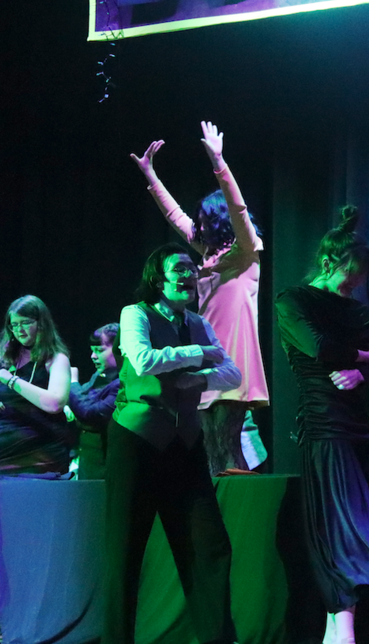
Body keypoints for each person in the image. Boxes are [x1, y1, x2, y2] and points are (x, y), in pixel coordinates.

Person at [275, 207, 369, 644]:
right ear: (328, 262)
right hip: (324, 430)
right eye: (350, 274)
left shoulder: (359, 314)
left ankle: (338, 631)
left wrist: (363, 373)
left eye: (360, 277)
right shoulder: (294, 301)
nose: (355, 284)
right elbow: (319, 348)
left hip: (358, 434)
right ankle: (343, 632)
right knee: (342, 531)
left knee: (358, 529)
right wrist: (367, 356)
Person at [103, 243, 242, 644]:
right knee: (125, 552)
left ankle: (217, 639)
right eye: (179, 269)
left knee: (209, 546)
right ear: (157, 279)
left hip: (186, 444)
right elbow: (143, 360)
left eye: (191, 269)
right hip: (137, 441)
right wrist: (199, 354)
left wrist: (200, 377)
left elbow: (232, 374)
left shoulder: (198, 322)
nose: (189, 275)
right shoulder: (135, 314)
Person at [131, 120, 269, 475]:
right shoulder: (208, 257)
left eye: (205, 220)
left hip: (233, 355)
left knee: (226, 444)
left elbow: (238, 211)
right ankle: (217, 504)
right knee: (209, 447)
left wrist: (219, 162)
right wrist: (151, 175)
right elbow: (175, 216)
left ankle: (239, 506)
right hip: (206, 353)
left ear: (219, 220)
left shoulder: (245, 252)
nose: (199, 226)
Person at [0, 295, 73, 479]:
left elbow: (55, 403)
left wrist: (11, 381)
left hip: (42, 456)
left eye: (25, 323)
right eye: (14, 325)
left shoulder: (56, 358)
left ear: (41, 323)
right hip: (3, 454)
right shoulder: (4, 354)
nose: (19, 330)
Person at [67, 322, 121, 479]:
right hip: (89, 463)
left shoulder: (122, 384)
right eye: (92, 350)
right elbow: (82, 402)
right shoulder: (99, 376)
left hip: (106, 467)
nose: (93, 356)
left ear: (119, 349)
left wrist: (73, 383)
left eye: (100, 350)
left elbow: (89, 414)